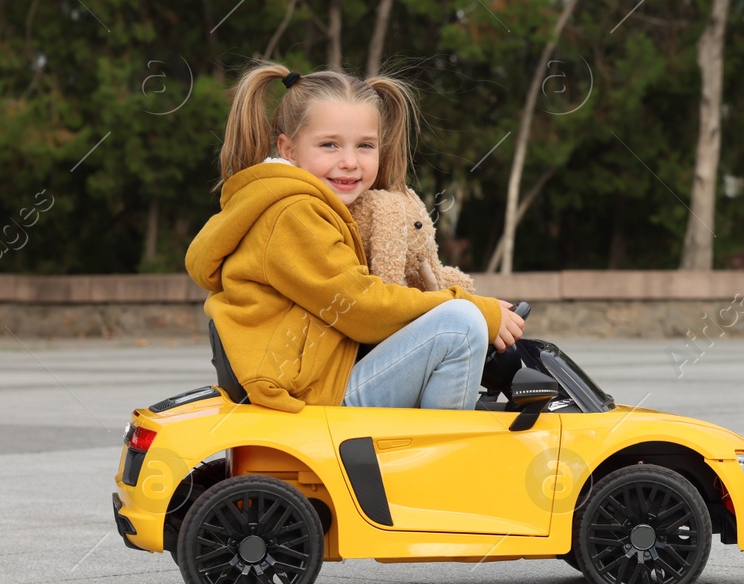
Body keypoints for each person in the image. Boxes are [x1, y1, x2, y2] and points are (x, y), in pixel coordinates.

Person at [184, 63, 524, 411]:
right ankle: (435, 458)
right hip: (314, 395)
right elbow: (359, 306)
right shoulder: (293, 214)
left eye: (365, 146)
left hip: (321, 379)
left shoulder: (301, 205)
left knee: (457, 320)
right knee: (461, 325)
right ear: (288, 149)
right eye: (329, 145)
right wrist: (474, 307)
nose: (349, 161)